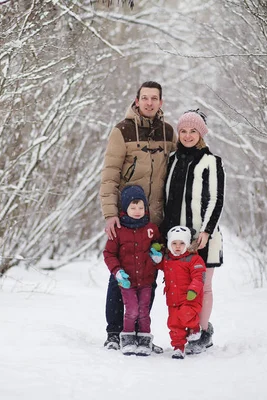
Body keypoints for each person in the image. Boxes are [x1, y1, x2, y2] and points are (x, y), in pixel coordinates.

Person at [99, 81, 177, 351]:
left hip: (154, 220)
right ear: (137, 100)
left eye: (154, 98)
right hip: (125, 218)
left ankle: (139, 333)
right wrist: (110, 214)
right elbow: (110, 174)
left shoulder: (168, 133)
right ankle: (114, 332)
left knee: (147, 279)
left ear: (161, 102)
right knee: (119, 276)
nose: (149, 103)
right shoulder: (122, 130)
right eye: (145, 98)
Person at [160, 109, 225, 354]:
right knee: (180, 287)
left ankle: (202, 331)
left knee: (204, 286)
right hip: (176, 239)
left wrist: (206, 231)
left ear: (201, 133)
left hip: (202, 236)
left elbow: (217, 199)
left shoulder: (212, 161)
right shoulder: (173, 159)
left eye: (193, 131)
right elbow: (167, 198)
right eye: (184, 131)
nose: (187, 135)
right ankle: (183, 329)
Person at [103, 185, 161, 356]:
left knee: (144, 311)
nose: (137, 211)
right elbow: (109, 253)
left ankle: (143, 340)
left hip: (145, 280)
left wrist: (157, 253)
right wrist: (117, 271)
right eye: (133, 207)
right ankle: (124, 337)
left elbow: (158, 244)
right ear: (125, 208)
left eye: (141, 207)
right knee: (132, 310)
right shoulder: (119, 230)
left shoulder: (151, 229)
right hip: (126, 280)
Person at [154, 225, 206, 359]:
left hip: (190, 298)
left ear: (187, 244)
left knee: (186, 315)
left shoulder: (194, 259)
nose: (178, 246)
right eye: (174, 243)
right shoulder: (167, 259)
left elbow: (199, 276)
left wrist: (193, 289)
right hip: (172, 299)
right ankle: (178, 347)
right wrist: (155, 252)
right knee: (173, 323)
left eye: (182, 243)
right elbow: (157, 263)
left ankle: (194, 328)